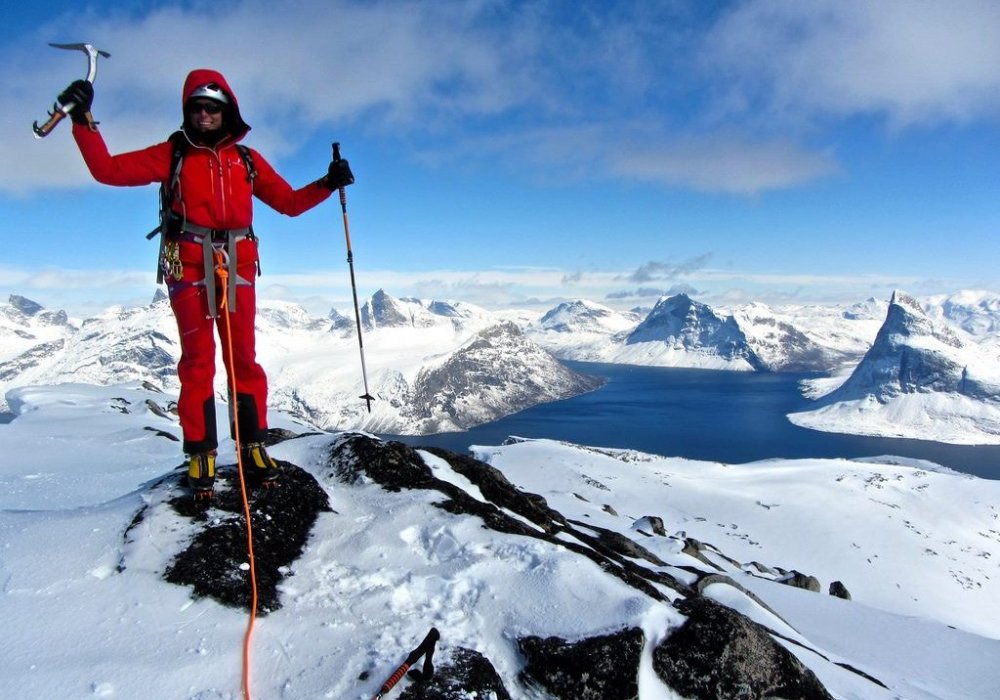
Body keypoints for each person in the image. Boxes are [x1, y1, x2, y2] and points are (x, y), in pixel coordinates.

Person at [59, 69, 355, 495]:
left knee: (243, 359)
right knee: (197, 360)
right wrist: (83, 119)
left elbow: (288, 203)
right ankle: (201, 451)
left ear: (227, 110)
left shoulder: (247, 159)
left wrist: (328, 183)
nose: (204, 114)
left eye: (212, 107)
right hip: (190, 266)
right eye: (197, 107)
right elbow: (106, 170)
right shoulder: (172, 154)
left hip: (236, 266)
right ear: (188, 111)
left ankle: (252, 444)